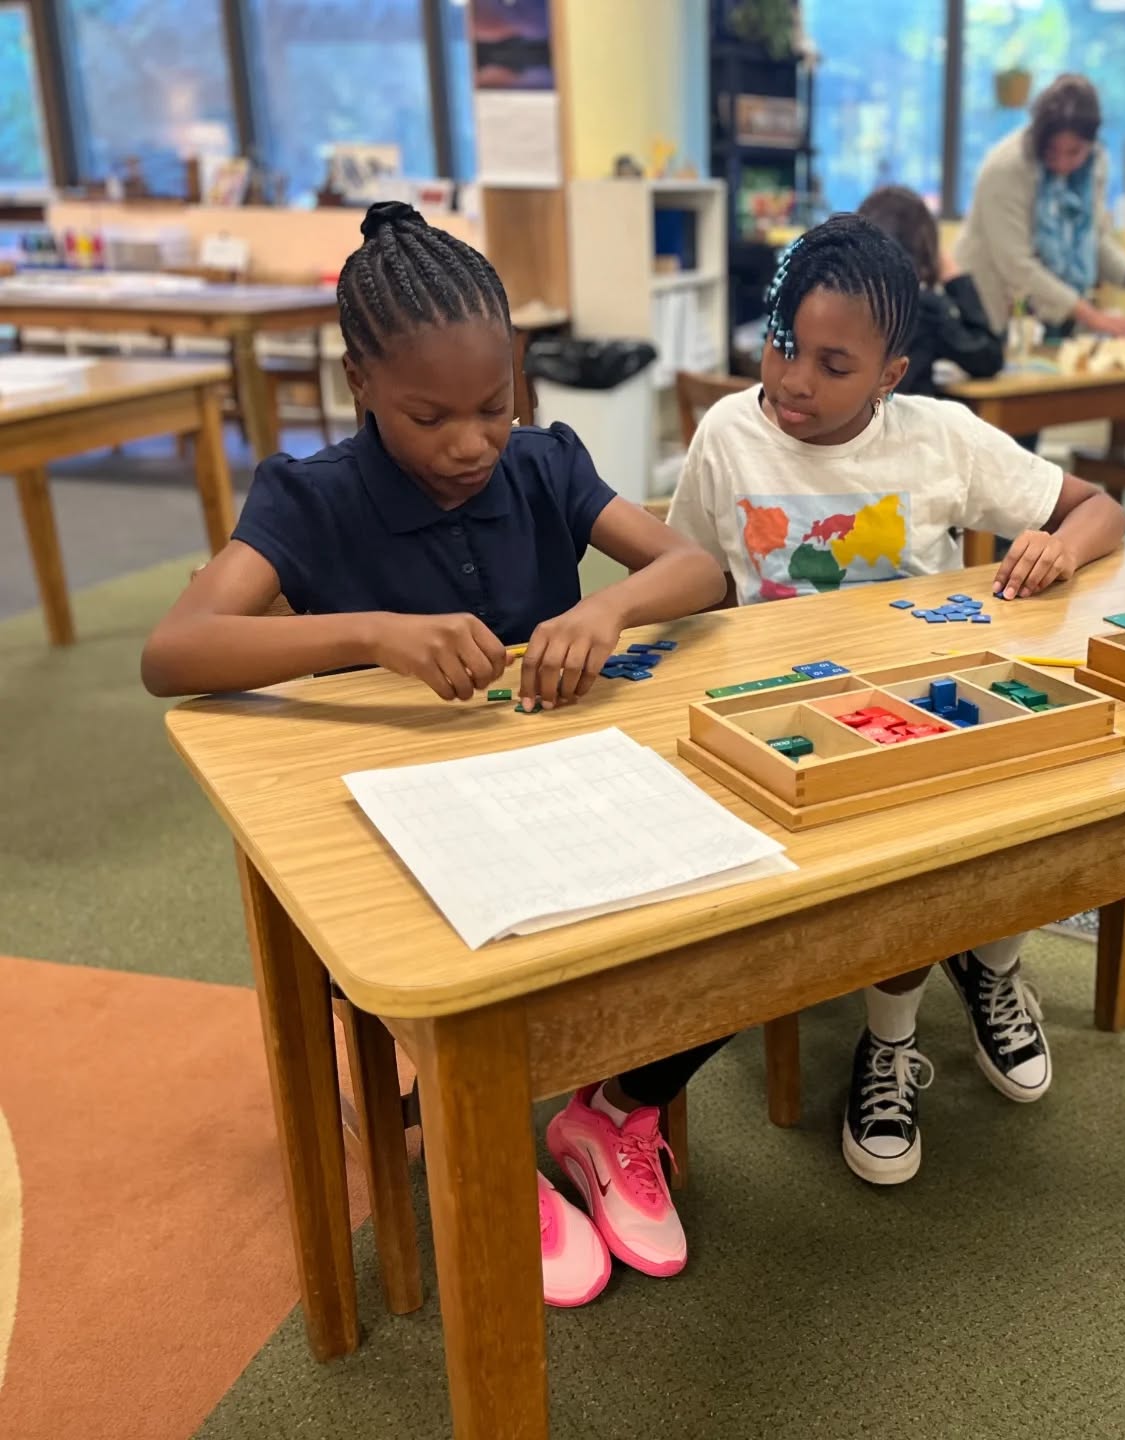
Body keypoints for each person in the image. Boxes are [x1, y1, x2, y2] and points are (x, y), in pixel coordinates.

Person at [141, 200, 728, 1308]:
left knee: (745, 914)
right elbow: (174, 652)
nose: (467, 443)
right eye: (429, 416)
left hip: (565, 794)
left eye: (491, 407)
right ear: (359, 380)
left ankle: (615, 1109)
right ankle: (492, 1149)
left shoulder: (544, 466)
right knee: (472, 969)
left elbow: (698, 571)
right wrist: (369, 634)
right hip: (397, 832)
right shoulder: (309, 501)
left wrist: (608, 614)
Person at [665, 213, 1125, 1186]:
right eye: (784, 344)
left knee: (1028, 791)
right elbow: (687, 577)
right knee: (897, 837)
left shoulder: (941, 438)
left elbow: (1098, 507)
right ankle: (910, 1018)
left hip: (918, 704)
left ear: (892, 375)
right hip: (781, 721)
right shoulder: (726, 435)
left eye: (835, 364)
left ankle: (968, 983)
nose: (795, 379)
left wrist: (1058, 546)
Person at [955, 74, 1125, 341]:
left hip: (1057, 306)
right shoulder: (1007, 167)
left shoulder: (1095, 165)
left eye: (1074, 152)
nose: (1062, 163)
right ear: (1038, 137)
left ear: (1091, 143)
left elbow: (1092, 237)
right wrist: (1094, 317)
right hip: (993, 305)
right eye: (1052, 151)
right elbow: (1016, 264)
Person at [857, 185, 1003, 392]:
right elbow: (988, 358)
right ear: (924, 243)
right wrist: (955, 278)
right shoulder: (924, 306)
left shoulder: (844, 299)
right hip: (902, 422)